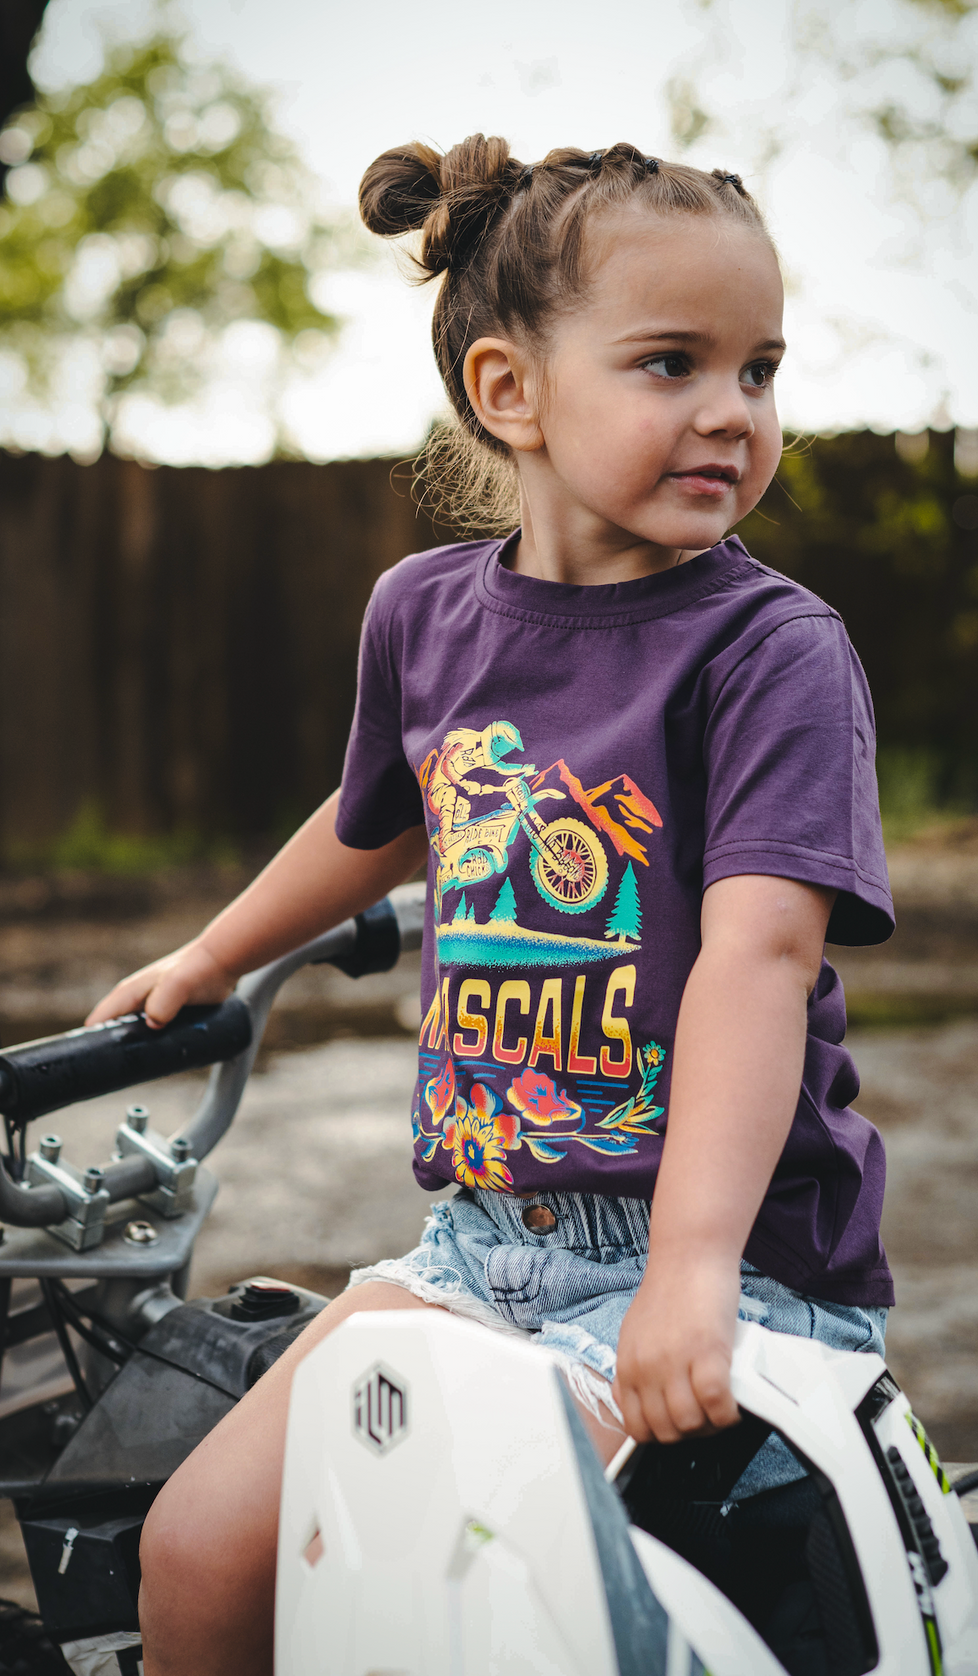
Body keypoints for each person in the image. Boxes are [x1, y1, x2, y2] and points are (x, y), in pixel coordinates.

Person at [88, 135, 896, 1676]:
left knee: (476, 1591)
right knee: (197, 1553)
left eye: (761, 370)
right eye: (672, 363)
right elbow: (380, 818)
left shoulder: (770, 651)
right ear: (510, 389)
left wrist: (692, 1270)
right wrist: (214, 954)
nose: (732, 411)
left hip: (728, 1260)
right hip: (476, 1249)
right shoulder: (425, 615)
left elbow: (760, 959)